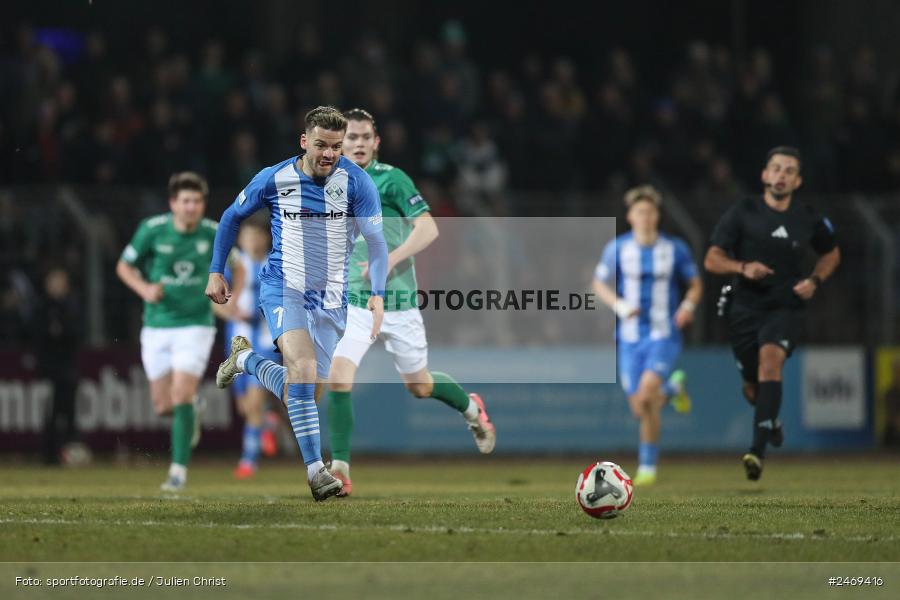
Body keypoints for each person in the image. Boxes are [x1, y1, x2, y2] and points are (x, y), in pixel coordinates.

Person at [207, 106, 389, 502]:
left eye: (336, 147)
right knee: (303, 369)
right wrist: (215, 271)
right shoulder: (273, 178)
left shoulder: (357, 184)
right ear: (304, 141)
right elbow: (229, 217)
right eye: (321, 145)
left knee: (301, 393)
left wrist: (377, 292)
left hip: (333, 299)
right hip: (283, 287)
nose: (329, 154)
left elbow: (377, 244)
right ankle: (316, 473)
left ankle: (246, 361)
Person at [326, 108, 496, 496]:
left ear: (376, 142)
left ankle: (471, 409)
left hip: (399, 301)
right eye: (351, 137)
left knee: (419, 386)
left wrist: (390, 259)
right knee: (339, 376)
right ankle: (339, 469)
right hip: (354, 301)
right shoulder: (330, 183)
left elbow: (429, 228)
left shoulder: (392, 180)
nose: (358, 144)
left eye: (365, 137)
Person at [705, 146, 840, 480]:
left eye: (789, 170)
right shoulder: (743, 211)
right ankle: (772, 421)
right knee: (753, 389)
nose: (781, 175)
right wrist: (742, 266)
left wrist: (815, 280)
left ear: (798, 180)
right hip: (744, 310)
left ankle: (756, 452)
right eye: (776, 168)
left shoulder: (808, 217)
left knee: (771, 362)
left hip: (785, 309)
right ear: (765, 175)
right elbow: (711, 258)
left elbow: (832, 254)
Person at [116, 172, 233, 491]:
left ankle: (177, 472)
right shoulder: (152, 230)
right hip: (156, 325)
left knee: (181, 393)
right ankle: (192, 410)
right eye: (185, 201)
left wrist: (228, 296)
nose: (191, 207)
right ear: (173, 204)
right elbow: (124, 266)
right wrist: (144, 289)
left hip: (195, 325)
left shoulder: (213, 232)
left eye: (196, 201)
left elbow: (238, 266)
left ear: (202, 204)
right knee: (163, 406)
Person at [593, 185, 702, 486]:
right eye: (640, 211)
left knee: (645, 393)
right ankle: (673, 389)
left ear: (657, 215)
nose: (645, 217)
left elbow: (695, 283)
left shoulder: (675, 248)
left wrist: (688, 306)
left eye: (650, 211)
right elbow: (598, 284)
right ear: (630, 216)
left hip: (662, 334)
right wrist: (619, 304)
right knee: (641, 405)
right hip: (628, 338)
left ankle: (648, 469)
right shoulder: (617, 248)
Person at [220, 220, 282, 479]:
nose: (252, 241)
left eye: (257, 236)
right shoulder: (233, 264)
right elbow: (214, 300)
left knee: (255, 404)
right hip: (236, 341)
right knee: (245, 408)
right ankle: (269, 422)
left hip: (266, 341)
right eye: (247, 236)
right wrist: (231, 310)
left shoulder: (276, 262)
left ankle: (248, 461)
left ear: (265, 239)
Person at [34, 267, 82, 465]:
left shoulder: (72, 306)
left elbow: (77, 334)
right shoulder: (42, 307)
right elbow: (36, 335)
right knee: (51, 413)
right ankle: (49, 454)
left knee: (69, 412)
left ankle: (69, 452)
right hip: (48, 369)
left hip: (67, 367)